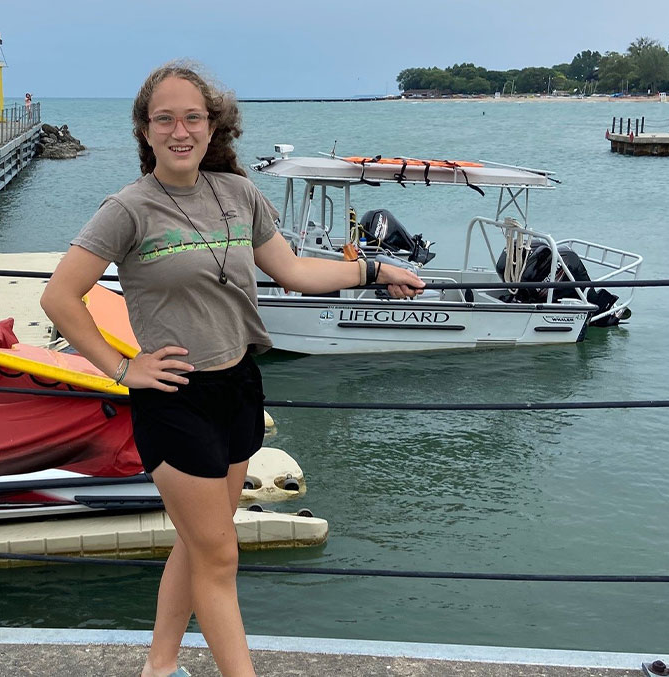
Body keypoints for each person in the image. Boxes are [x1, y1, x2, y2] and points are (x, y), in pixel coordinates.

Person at [40, 62, 423, 677]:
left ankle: (159, 668)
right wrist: (121, 367)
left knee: (198, 546)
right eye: (164, 118)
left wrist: (373, 273)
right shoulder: (128, 209)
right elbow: (60, 298)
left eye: (192, 116)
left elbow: (294, 271)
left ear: (213, 124)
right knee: (220, 558)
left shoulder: (239, 195)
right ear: (145, 130)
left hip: (240, 386)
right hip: (175, 398)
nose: (179, 130)